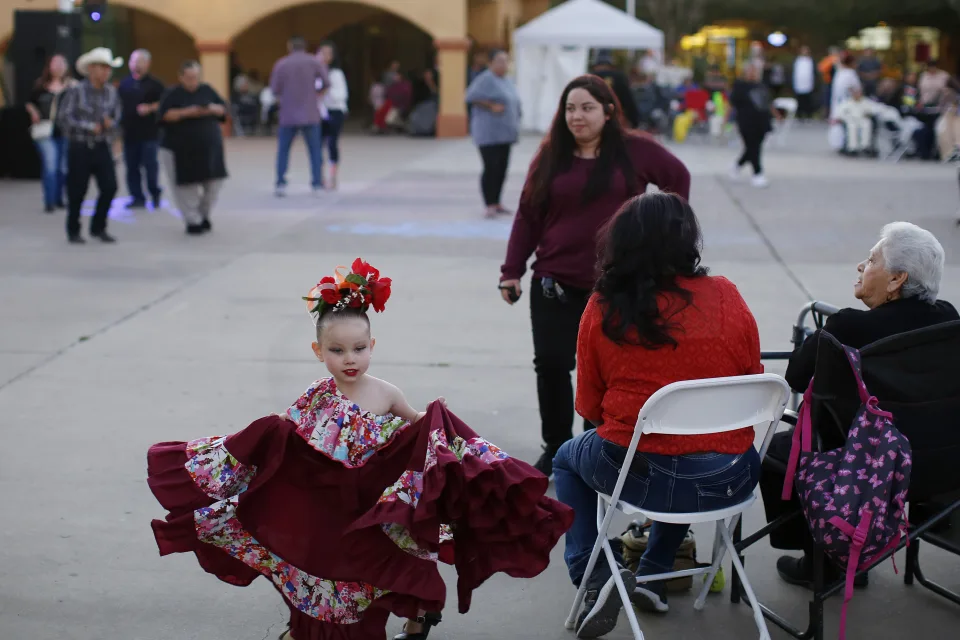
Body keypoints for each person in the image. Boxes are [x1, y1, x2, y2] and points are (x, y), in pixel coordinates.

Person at [145, 258, 573, 640]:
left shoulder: (386, 393)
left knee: (392, 559)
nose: (350, 358)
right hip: (328, 505)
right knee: (326, 567)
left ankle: (416, 619)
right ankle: (315, 630)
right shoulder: (317, 393)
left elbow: (420, 429)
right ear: (319, 352)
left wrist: (443, 429)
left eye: (359, 348)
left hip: (373, 504)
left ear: (373, 347)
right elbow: (288, 445)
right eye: (337, 350)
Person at [555, 193, 763, 639]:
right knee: (691, 444)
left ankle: (593, 577)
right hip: (732, 475)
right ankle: (654, 570)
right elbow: (753, 376)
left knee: (567, 458)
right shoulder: (726, 294)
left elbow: (589, 407)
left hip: (646, 474)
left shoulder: (605, 306)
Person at [499, 75, 691, 478]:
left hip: (616, 286)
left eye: (586, 108)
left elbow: (678, 179)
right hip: (553, 281)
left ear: (607, 111)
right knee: (551, 366)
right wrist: (511, 271)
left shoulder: (635, 150)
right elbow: (527, 215)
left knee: (606, 374)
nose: (577, 116)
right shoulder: (551, 155)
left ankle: (598, 449)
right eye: (570, 108)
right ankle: (555, 447)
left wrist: (661, 239)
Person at [760, 222, 959, 588]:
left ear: (897, 279)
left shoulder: (847, 328)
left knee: (779, 451)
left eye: (870, 260)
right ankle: (855, 555)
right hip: (941, 469)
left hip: (866, 477)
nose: (860, 267)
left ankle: (827, 561)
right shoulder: (949, 321)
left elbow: (794, 378)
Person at [57, 47, 123, 244]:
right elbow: (64, 118)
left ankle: (98, 226)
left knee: (110, 187)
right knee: (77, 190)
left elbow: (117, 116)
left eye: (108, 68)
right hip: (80, 147)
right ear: (91, 69)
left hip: (102, 146)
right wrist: (88, 127)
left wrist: (110, 125)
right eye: (103, 67)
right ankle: (73, 230)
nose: (106, 72)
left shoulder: (111, 93)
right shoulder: (76, 91)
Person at [157, 61, 228, 235]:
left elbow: (223, 109)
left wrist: (211, 109)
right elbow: (164, 116)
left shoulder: (207, 90)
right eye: (189, 77)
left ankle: (203, 215)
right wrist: (188, 112)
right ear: (181, 77)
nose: (192, 81)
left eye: (195, 77)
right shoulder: (172, 94)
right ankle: (192, 220)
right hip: (180, 149)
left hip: (210, 149)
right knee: (186, 188)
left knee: (214, 184)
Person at [269, 36, 329, 197]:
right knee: (315, 150)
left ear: (289, 46)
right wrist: (317, 94)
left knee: (283, 150)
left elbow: (274, 89)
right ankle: (317, 184)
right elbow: (326, 81)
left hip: (288, 114)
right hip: (310, 112)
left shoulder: (281, 64)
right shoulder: (313, 62)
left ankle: (280, 183)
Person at [465, 49, 521, 218]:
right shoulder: (485, 79)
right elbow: (470, 97)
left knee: (502, 169)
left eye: (506, 61)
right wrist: (491, 106)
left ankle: (497, 202)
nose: (503, 64)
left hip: (505, 134)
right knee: (491, 167)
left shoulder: (507, 80)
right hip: (488, 133)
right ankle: (489, 204)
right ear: (491, 63)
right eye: (500, 61)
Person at [25, 54, 75, 213]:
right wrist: (34, 112)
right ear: (50, 66)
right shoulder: (41, 85)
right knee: (50, 165)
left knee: (63, 168)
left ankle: (60, 198)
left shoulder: (72, 86)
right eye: (56, 63)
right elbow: (29, 102)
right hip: (45, 130)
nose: (59, 66)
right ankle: (49, 201)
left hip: (65, 131)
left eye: (62, 63)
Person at [117, 49, 165, 210]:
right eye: (133, 61)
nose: (136, 64)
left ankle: (155, 193)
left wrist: (150, 107)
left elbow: (165, 104)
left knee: (150, 166)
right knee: (131, 167)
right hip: (130, 133)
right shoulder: (124, 84)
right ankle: (137, 197)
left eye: (140, 61)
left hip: (149, 133)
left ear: (147, 64)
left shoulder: (156, 84)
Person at [729, 65, 773, 188]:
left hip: (762, 121)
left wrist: (775, 115)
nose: (753, 73)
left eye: (755, 71)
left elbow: (767, 103)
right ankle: (757, 173)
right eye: (751, 71)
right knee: (753, 147)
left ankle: (737, 165)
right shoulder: (740, 86)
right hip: (746, 121)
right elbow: (732, 104)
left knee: (754, 147)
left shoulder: (762, 86)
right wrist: (726, 120)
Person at [317, 42, 348, 190]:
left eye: (328, 53)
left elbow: (341, 95)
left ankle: (333, 177)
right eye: (322, 52)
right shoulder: (315, 72)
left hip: (334, 111)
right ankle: (319, 176)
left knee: (331, 143)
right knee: (317, 144)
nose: (324, 56)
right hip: (318, 111)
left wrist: (326, 89)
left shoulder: (336, 74)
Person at [590, 51, 640, 128]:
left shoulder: (590, 77)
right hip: (616, 121)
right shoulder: (619, 77)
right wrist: (635, 122)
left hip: (594, 120)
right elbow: (629, 101)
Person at [836, 87, 880, 156]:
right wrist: (844, 118)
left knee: (867, 124)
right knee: (852, 127)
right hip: (851, 120)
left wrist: (869, 113)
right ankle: (852, 148)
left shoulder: (866, 101)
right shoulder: (847, 102)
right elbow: (840, 113)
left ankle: (865, 146)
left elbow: (873, 109)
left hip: (862, 120)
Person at [829, 54, 861, 122]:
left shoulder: (839, 72)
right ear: (852, 63)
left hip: (837, 106)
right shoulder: (851, 73)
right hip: (848, 107)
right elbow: (856, 91)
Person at [792, 46, 817, 120]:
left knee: (808, 99)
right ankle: (800, 114)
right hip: (799, 82)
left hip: (808, 82)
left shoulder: (810, 60)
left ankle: (808, 114)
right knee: (800, 99)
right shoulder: (797, 60)